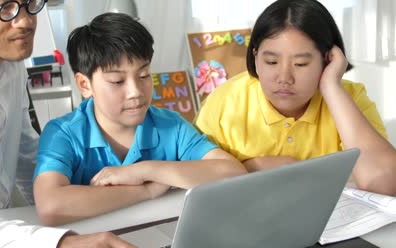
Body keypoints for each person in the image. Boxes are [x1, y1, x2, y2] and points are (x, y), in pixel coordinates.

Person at [0, 0, 135, 247]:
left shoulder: (10, 64)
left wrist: (89, 196)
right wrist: (61, 243)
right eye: (5, 8)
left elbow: (25, 154)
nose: (25, 21)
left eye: (29, 1)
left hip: (2, 230)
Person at [33, 12, 248, 226]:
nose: (135, 91)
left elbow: (233, 173)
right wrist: (146, 190)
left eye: (144, 75)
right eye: (117, 81)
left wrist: (144, 170)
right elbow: (51, 206)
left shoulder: (171, 126)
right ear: (84, 85)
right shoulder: (63, 134)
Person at [194, 0, 396, 196]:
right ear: (255, 57)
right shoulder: (223, 103)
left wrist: (331, 88)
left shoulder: (348, 98)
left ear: (327, 60)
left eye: (300, 64)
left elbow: (386, 185)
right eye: (271, 62)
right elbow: (191, 180)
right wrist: (252, 167)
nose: (284, 78)